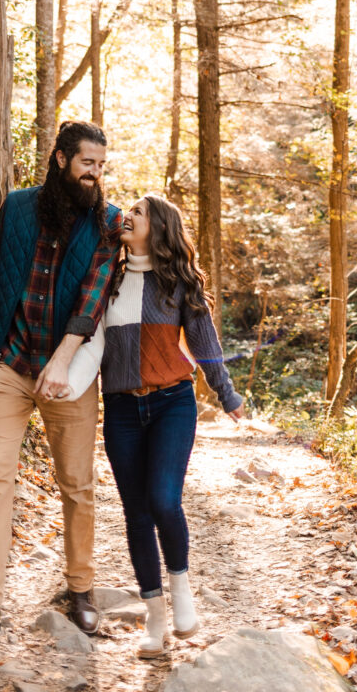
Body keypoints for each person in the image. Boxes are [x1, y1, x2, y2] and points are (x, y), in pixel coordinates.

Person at [0, 121, 122, 639]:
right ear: (61, 159)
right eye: (88, 163)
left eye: (102, 166)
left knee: (77, 486)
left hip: (69, 376)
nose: (95, 174)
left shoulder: (108, 222)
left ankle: (82, 590)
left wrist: (63, 364)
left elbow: (91, 300)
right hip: (11, 366)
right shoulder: (18, 207)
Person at [98, 194, 243, 658]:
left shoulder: (179, 284)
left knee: (163, 499)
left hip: (172, 404)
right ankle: (154, 620)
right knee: (136, 515)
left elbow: (205, 345)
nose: (127, 216)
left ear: (157, 227)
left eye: (138, 212)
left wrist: (227, 393)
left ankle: (181, 586)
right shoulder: (107, 279)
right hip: (120, 409)